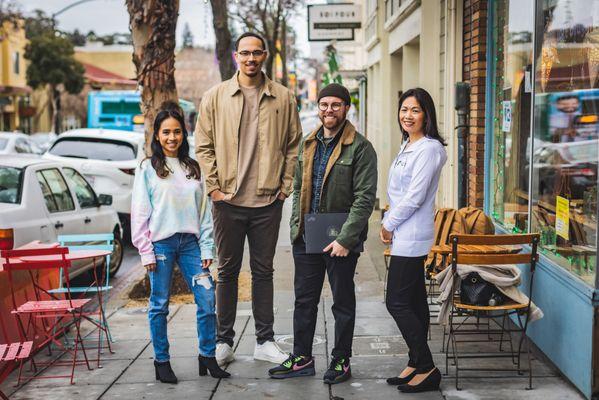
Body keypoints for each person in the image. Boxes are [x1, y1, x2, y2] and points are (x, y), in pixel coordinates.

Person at [195, 32, 302, 366]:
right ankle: (223, 342)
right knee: (226, 272)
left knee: (263, 271)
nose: (251, 59)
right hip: (226, 201)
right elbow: (203, 145)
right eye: (245, 53)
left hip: (268, 202)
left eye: (257, 53)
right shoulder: (215, 97)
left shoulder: (283, 98)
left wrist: (284, 188)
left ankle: (264, 341)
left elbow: (294, 146)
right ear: (235, 56)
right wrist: (213, 188)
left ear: (265, 55)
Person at [268, 83, 378, 384]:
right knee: (304, 300)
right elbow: (299, 187)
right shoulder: (309, 143)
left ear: (346, 108)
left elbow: (365, 198)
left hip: (340, 239)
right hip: (307, 236)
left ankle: (341, 360)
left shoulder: (361, 147)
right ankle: (302, 358)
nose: (329, 110)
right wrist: (295, 227)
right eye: (324, 104)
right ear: (319, 108)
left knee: (342, 302)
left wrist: (345, 239)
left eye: (335, 105)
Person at [131, 105, 230, 384]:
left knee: (208, 300)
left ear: (183, 134)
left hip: (190, 245)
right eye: (166, 132)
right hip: (160, 245)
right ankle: (161, 361)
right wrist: (145, 250)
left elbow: (203, 213)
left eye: (176, 131)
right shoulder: (148, 169)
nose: (172, 137)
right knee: (159, 304)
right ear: (157, 135)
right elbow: (140, 211)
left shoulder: (192, 167)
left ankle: (207, 356)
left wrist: (207, 247)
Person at [380, 88, 447, 393]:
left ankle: (427, 366)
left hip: (411, 233)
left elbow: (416, 195)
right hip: (404, 231)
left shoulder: (430, 149)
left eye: (415, 110)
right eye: (404, 109)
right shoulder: (409, 144)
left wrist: (389, 223)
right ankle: (415, 361)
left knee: (396, 301)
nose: (408, 115)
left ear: (426, 115)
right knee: (416, 300)